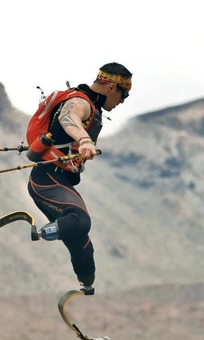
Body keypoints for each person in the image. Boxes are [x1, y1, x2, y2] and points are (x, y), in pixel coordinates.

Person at [27, 62, 132, 292]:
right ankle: (39, 232)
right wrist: (84, 140)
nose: (123, 100)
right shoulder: (81, 102)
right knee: (80, 220)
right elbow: (69, 116)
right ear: (112, 87)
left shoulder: (92, 107)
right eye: (124, 94)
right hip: (46, 179)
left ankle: (86, 285)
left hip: (60, 180)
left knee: (81, 240)